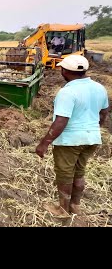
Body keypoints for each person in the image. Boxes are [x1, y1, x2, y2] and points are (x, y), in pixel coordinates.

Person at [35, 55, 109, 216]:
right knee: (79, 171)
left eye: (62, 69)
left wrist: (44, 143)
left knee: (65, 174)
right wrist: (93, 129)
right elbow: (103, 113)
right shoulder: (100, 88)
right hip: (92, 139)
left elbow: (61, 121)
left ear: (65, 71)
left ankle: (62, 209)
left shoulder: (67, 92)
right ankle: (75, 205)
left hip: (70, 141)